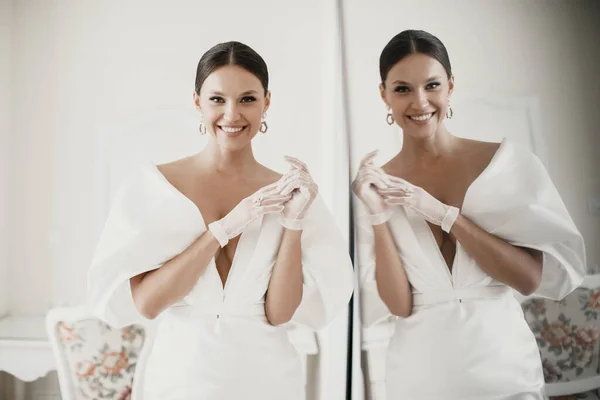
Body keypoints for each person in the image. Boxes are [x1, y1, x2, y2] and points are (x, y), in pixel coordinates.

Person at [87, 41, 354, 400]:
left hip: (269, 382)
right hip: (181, 382)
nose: (232, 114)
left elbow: (279, 313)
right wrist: (226, 228)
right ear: (197, 101)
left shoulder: (290, 193)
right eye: (217, 99)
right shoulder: (154, 187)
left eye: (247, 99)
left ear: (266, 102)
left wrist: (293, 224)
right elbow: (148, 304)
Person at [353, 30, 586, 399]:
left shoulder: (503, 164)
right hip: (418, 378)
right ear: (383, 94)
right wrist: (379, 216)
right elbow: (399, 304)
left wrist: (445, 215)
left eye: (432, 85)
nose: (420, 101)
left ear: (450, 86)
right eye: (402, 89)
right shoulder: (377, 186)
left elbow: (527, 279)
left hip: (504, 373)